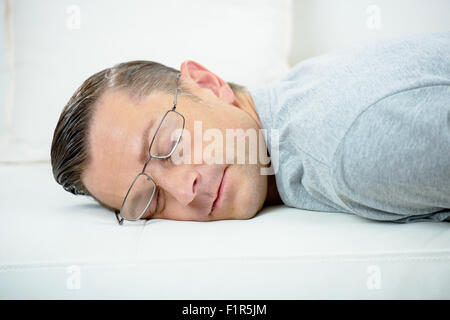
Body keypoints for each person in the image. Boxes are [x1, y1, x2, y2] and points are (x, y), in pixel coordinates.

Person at [51, 31, 450, 224]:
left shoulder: (350, 150)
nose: (182, 191)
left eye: (169, 145)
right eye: (150, 200)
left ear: (207, 84)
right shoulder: (298, 93)